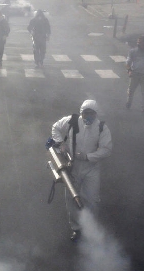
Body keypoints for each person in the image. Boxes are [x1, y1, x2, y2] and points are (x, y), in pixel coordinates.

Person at [47, 100, 113, 241]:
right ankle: (76, 228)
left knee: (92, 199)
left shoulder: (102, 128)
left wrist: (88, 157)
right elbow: (55, 128)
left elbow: (106, 150)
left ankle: (91, 227)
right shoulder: (72, 121)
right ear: (81, 113)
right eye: (85, 113)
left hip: (92, 169)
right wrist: (61, 143)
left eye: (91, 113)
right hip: (73, 168)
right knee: (72, 199)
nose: (88, 116)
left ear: (96, 114)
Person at [126, 36, 144, 116]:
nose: (138, 44)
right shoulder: (132, 51)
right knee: (131, 90)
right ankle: (129, 102)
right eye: (138, 42)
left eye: (140, 42)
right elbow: (128, 62)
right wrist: (129, 70)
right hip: (135, 74)